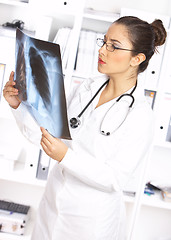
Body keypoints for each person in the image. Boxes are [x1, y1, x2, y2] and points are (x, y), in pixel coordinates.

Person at [3, 16, 167, 240]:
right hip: (52, 205)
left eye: (113, 46)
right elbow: (47, 134)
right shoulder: (87, 88)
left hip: (91, 221)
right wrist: (17, 106)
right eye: (104, 42)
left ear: (136, 58)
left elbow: (115, 179)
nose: (102, 51)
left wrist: (65, 156)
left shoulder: (140, 116)